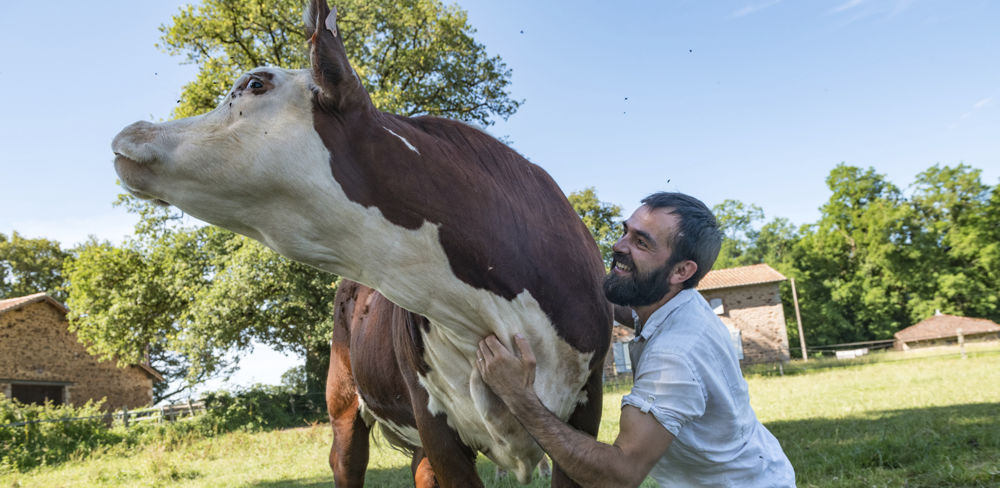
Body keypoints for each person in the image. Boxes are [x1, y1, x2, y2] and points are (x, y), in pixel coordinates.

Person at [476, 191, 795, 487]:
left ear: (682, 270)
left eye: (641, 243)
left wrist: (518, 396)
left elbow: (620, 473)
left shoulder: (675, 356)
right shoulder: (678, 303)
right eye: (626, 231)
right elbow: (623, 305)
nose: (618, 245)